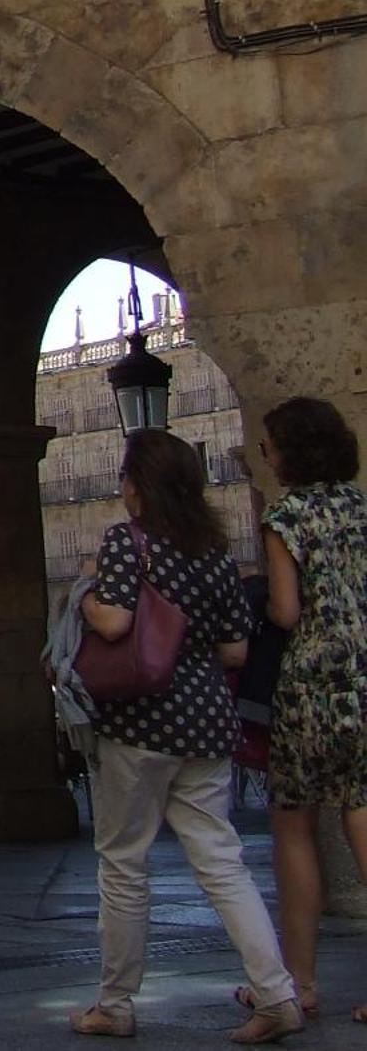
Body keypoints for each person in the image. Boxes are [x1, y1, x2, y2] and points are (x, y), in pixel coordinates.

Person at [70, 429, 301, 1042]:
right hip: (205, 723)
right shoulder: (215, 552)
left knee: (123, 863)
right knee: (222, 861)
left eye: (125, 478)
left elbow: (115, 623)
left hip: (139, 720)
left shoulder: (129, 543)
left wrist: (89, 594)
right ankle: (277, 993)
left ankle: (115, 1005)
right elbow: (234, 649)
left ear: (138, 485)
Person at [258, 397, 367, 1024]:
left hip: (313, 684)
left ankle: (298, 983)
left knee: (295, 827)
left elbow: (287, 612)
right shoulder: (361, 508)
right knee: (361, 814)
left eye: (269, 444)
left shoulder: (287, 514)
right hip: (365, 676)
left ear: (291, 450)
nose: (264, 454)